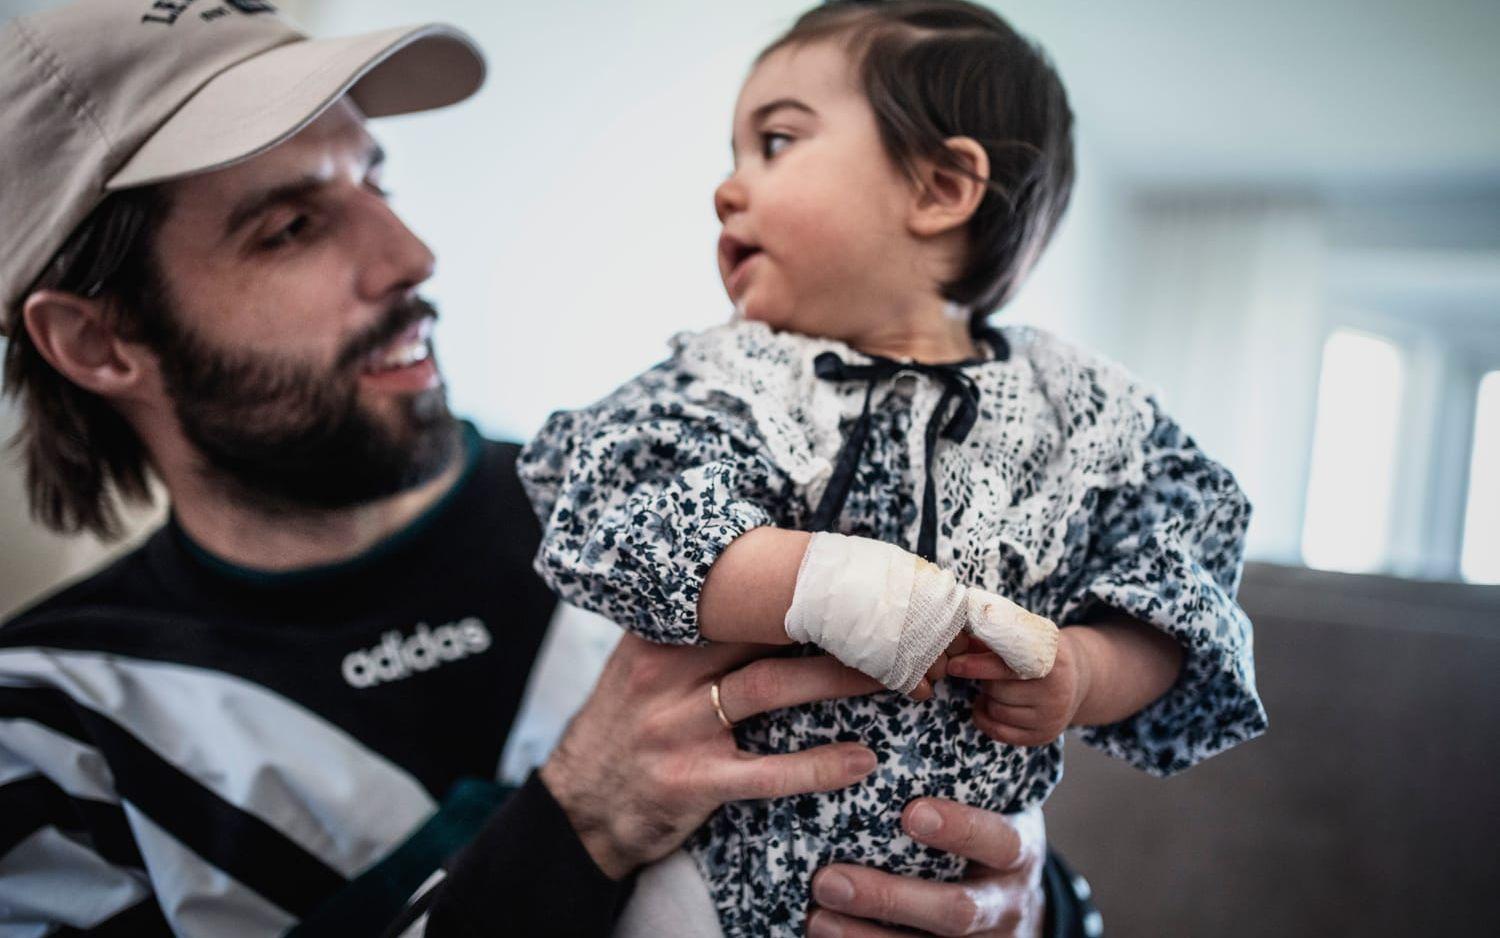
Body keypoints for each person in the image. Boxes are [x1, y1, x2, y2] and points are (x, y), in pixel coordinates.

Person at [0, 1, 1097, 935]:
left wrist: (1021, 899)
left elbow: (1024, 855)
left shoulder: (696, 516)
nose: (410, 256)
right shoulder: (50, 729)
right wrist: (578, 821)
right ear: (97, 342)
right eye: (289, 226)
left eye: (373, 177)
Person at [518, 2, 1270, 936]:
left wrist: (1080, 669)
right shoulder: (729, 376)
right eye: (733, 153)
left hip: (954, 884)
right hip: (705, 874)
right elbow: (625, 513)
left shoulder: (1081, 412)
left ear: (940, 187)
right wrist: (840, 590)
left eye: (777, 141)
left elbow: (1177, 595)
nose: (727, 188)